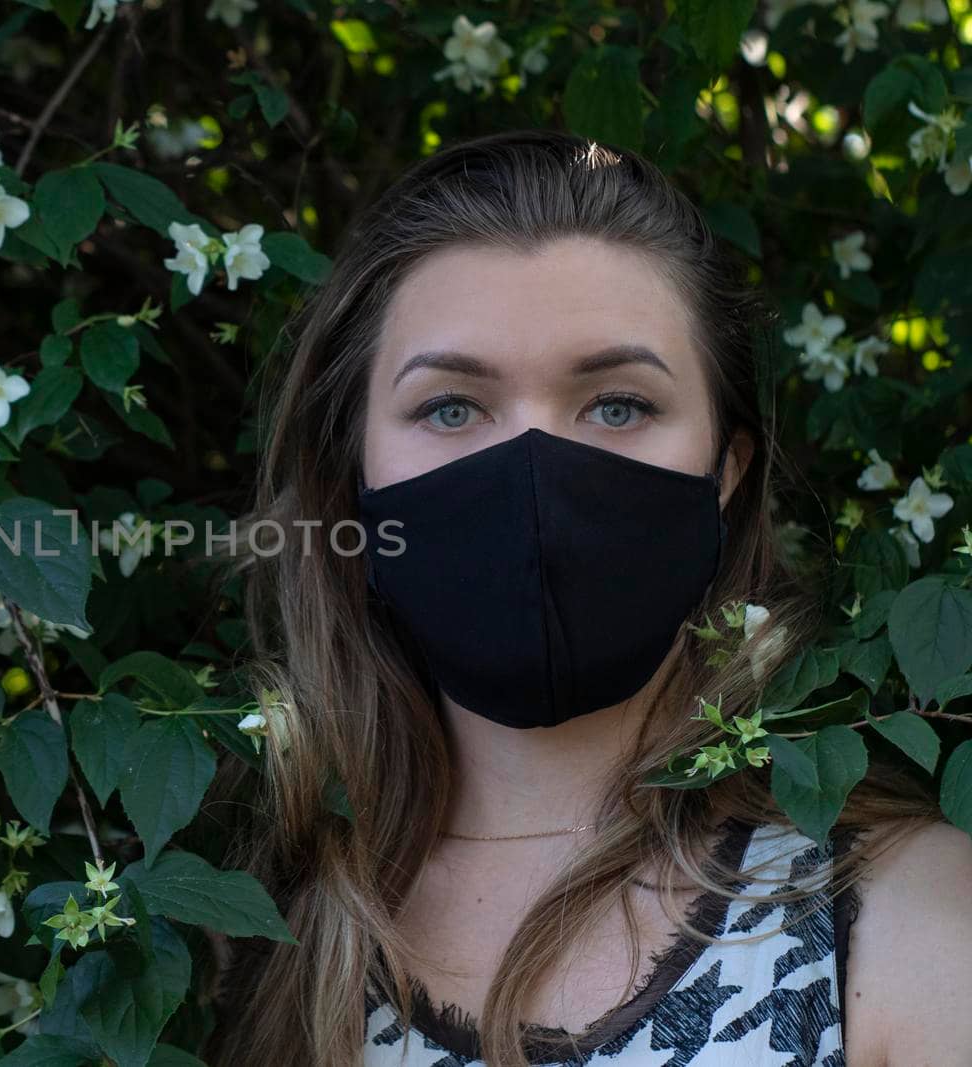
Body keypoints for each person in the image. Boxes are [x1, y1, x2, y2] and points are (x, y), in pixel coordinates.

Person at [196, 129, 972, 1067]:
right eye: (451, 407)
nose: (533, 478)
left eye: (617, 405)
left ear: (723, 472)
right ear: (349, 480)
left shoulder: (909, 925)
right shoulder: (235, 927)